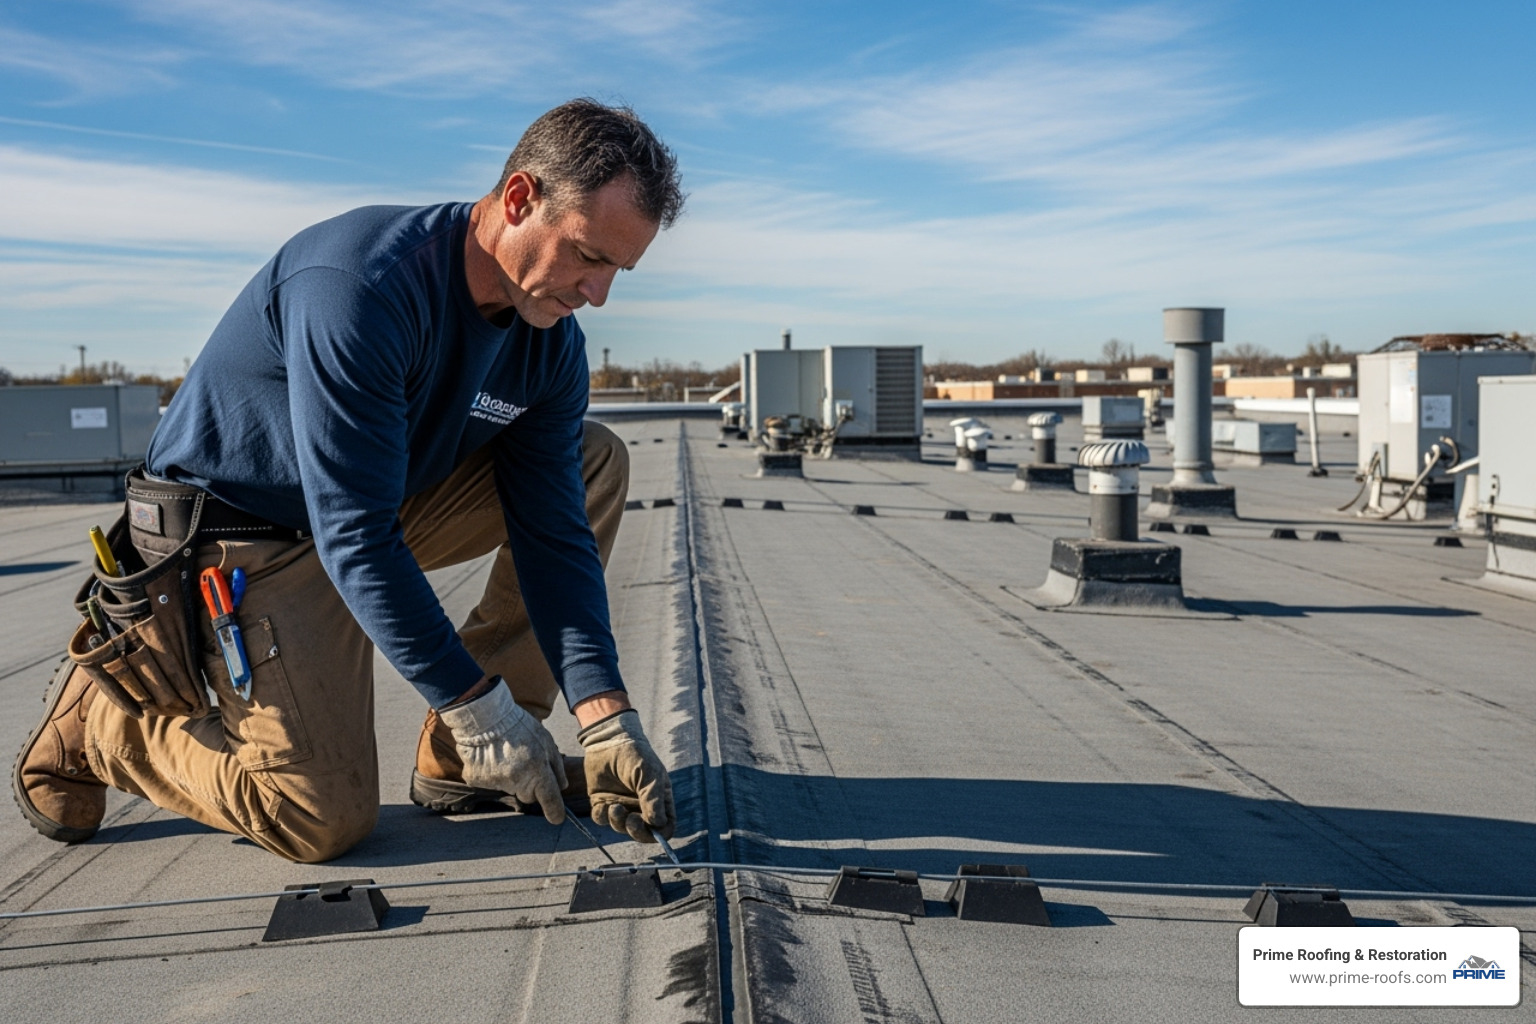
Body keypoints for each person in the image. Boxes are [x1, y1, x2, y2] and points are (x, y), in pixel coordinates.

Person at [13, 99, 684, 863]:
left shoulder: (549, 344)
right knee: (319, 817)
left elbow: (554, 531)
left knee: (591, 462)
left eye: (617, 272)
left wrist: (605, 715)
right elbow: (356, 535)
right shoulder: (361, 286)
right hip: (240, 536)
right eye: (589, 256)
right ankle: (100, 725)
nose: (596, 294)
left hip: (361, 511)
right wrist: (474, 705)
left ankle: (464, 765)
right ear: (521, 198)